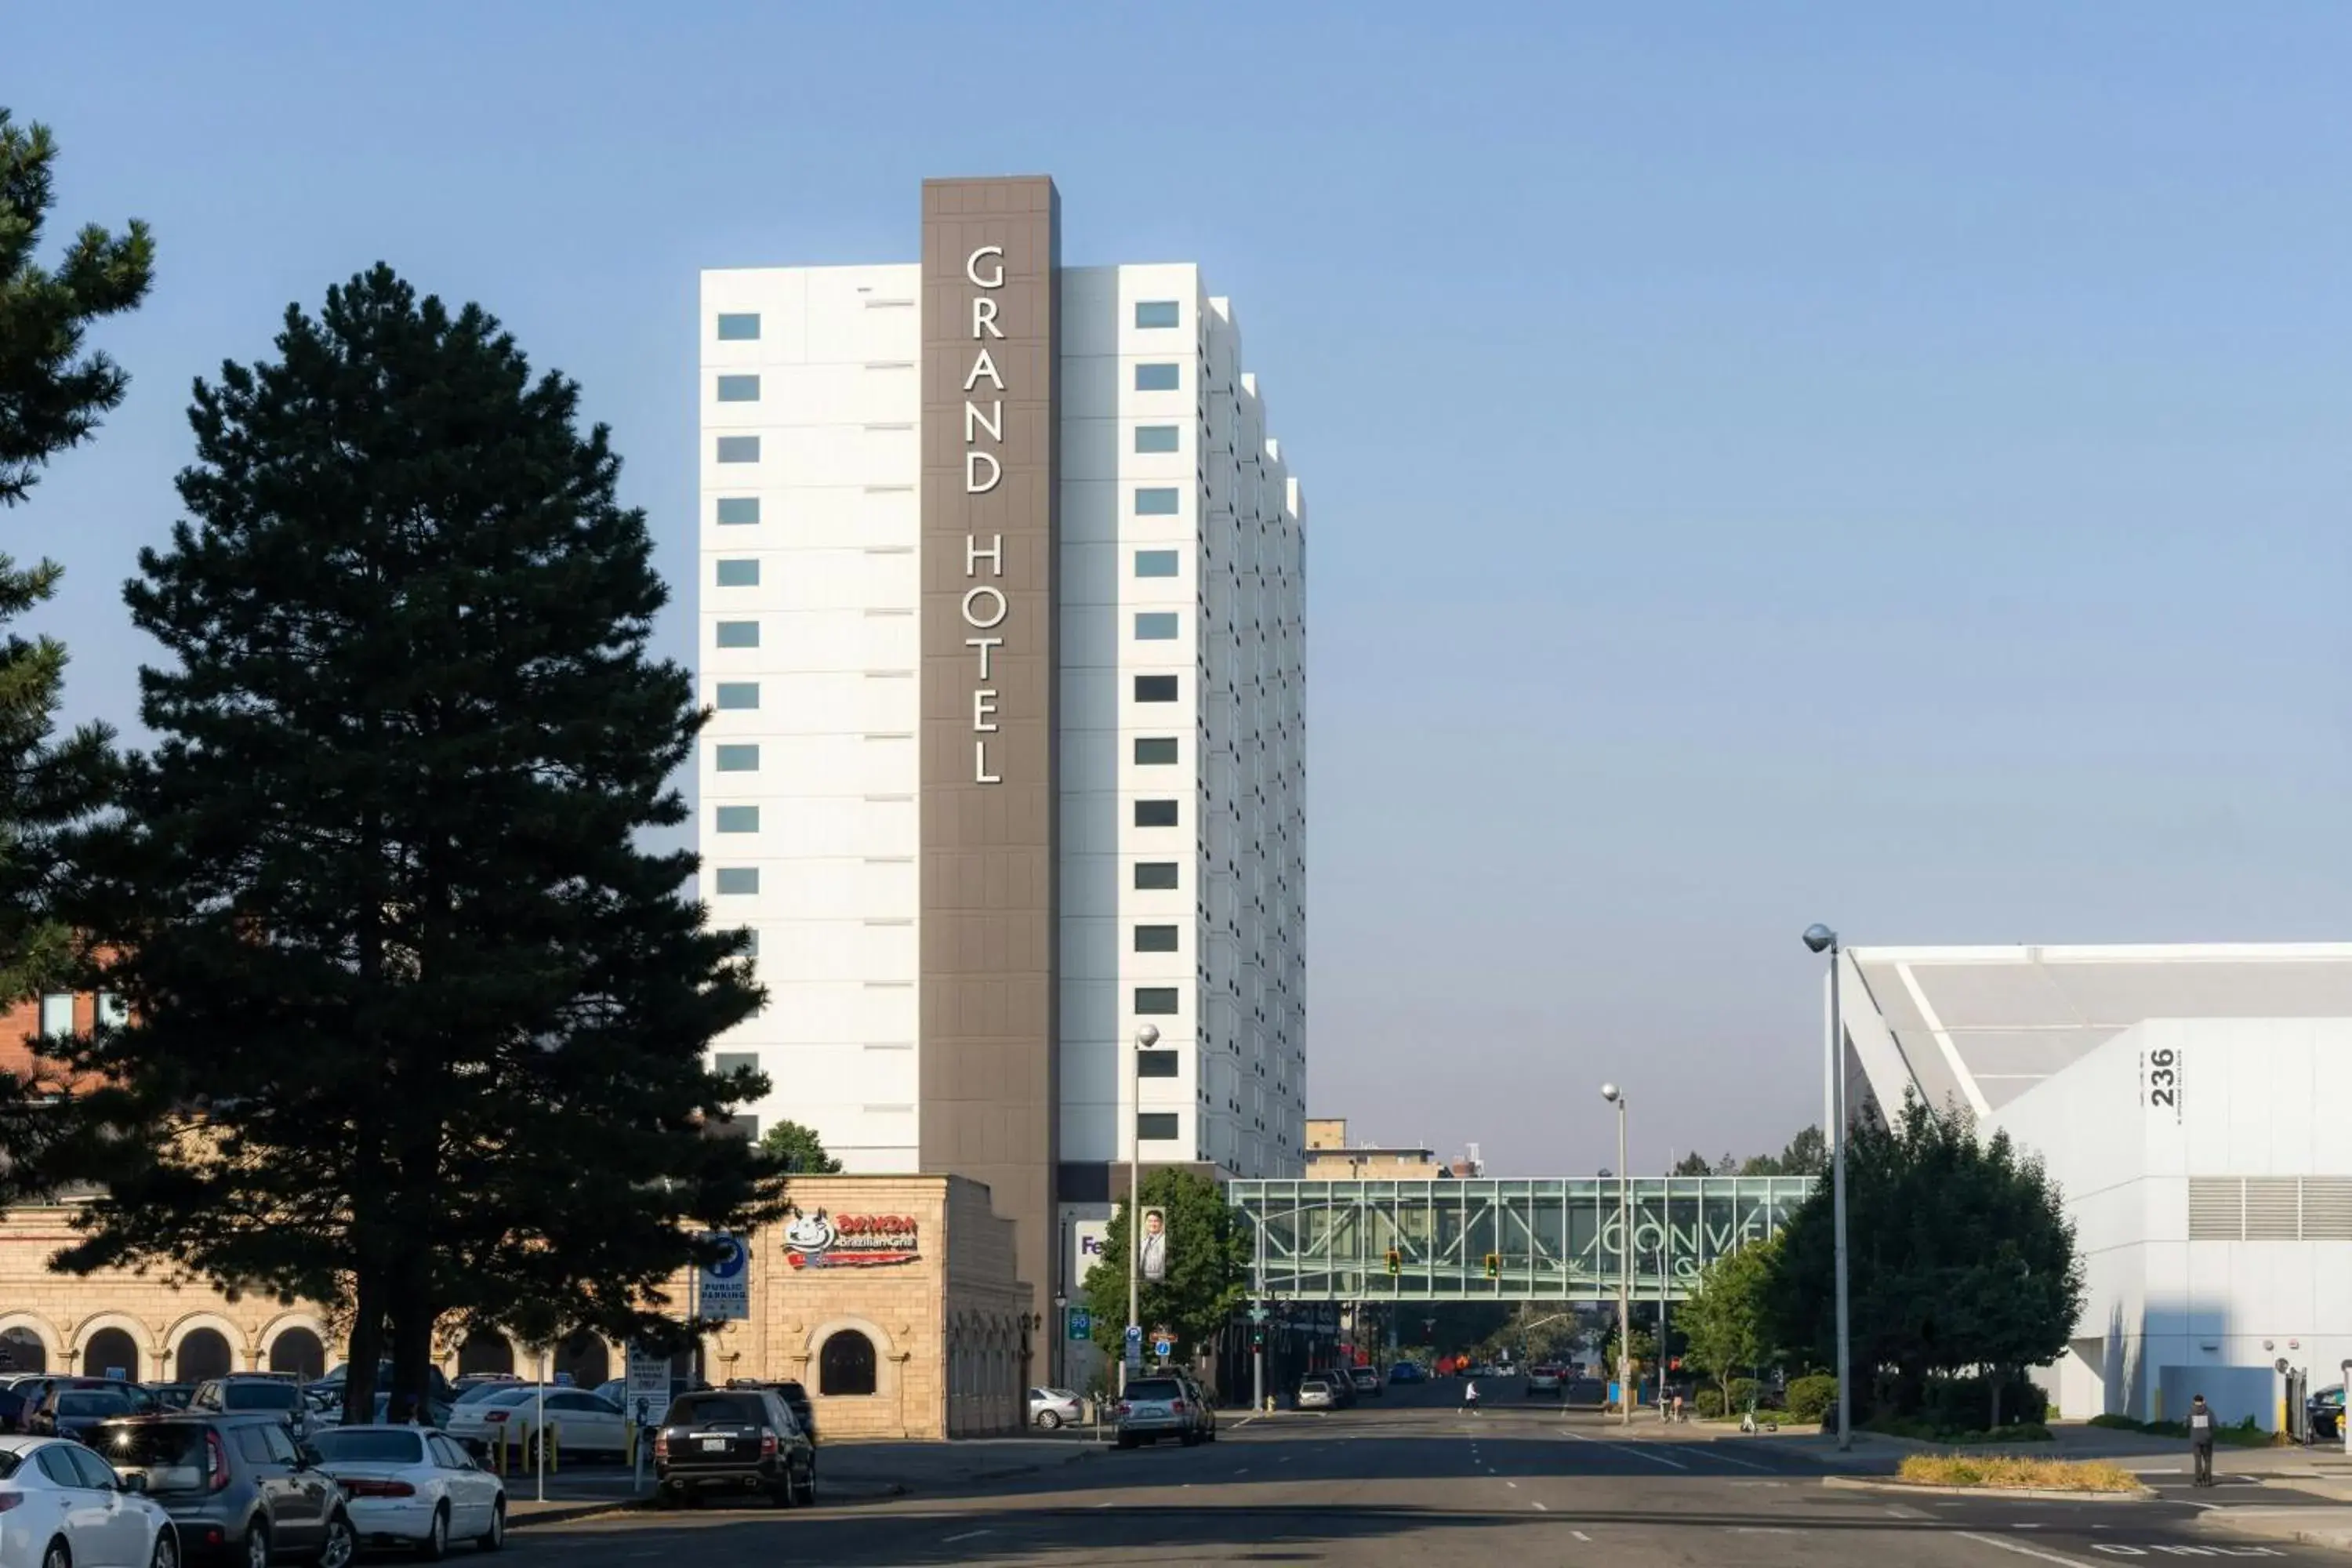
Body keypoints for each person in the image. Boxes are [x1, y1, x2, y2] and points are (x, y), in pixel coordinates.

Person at [2189, 1394, 2216, 1486]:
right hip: (2207, 1439)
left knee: (2198, 1460)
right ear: (2203, 1401)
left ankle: (2198, 1480)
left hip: (2195, 1439)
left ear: (2194, 1401)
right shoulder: (2209, 1411)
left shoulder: (2191, 1412)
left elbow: (2186, 1424)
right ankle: (2208, 1480)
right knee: (2208, 1460)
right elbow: (2214, 1424)